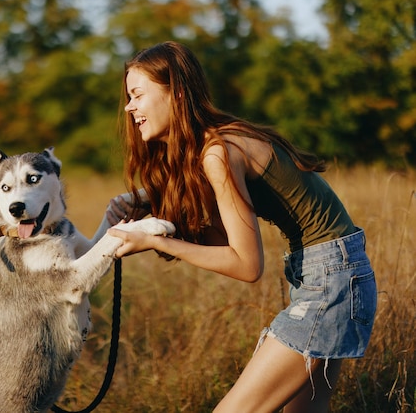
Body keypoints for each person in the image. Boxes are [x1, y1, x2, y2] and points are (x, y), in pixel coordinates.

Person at [104, 41, 377, 412]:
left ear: (176, 93)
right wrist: (155, 211)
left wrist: (159, 241)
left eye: (137, 95)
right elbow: (221, 239)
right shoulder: (211, 147)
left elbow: (246, 265)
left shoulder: (217, 152)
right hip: (335, 274)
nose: (128, 107)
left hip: (331, 284)